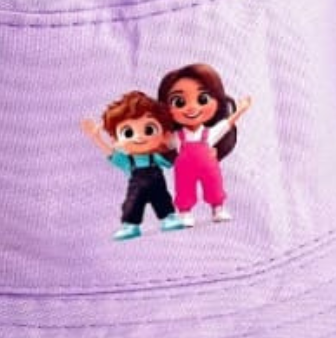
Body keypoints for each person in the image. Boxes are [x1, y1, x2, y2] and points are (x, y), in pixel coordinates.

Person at [81, 91, 187, 241]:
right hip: (136, 187)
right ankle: (130, 225)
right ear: (115, 140)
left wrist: (170, 143)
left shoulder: (155, 157)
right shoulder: (128, 160)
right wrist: (96, 138)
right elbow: (110, 153)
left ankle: (168, 217)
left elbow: (172, 160)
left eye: (149, 129)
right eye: (128, 133)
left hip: (157, 184)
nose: (139, 137)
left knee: (162, 199)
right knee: (132, 203)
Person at [157, 63, 252, 226]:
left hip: (209, 167)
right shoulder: (178, 137)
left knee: (214, 186)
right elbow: (161, 142)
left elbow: (227, 123)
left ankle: (218, 208)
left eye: (202, 99)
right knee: (184, 189)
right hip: (184, 168)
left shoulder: (210, 133)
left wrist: (241, 110)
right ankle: (185, 212)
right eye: (179, 102)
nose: (191, 108)